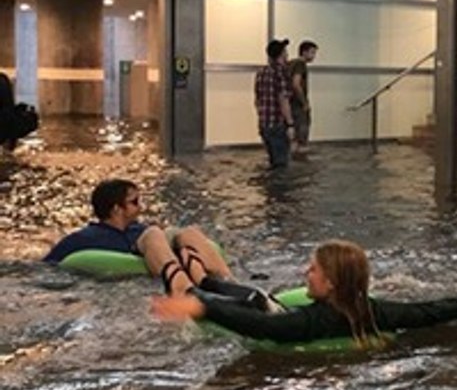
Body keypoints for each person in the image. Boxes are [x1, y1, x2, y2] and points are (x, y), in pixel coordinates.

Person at [151, 239, 457, 347]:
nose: (304, 273)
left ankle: (181, 259)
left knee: (197, 283)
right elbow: (433, 311)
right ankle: (193, 261)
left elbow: (264, 327)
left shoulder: (312, 322)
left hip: (255, 306)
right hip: (261, 303)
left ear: (330, 284)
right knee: (215, 281)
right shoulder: (374, 311)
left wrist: (200, 308)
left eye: (312, 269)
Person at [43, 178, 250, 300]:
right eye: (134, 202)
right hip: (137, 262)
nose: (140, 207)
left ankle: (230, 283)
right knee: (153, 233)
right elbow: (46, 267)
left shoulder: (138, 228)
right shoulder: (84, 239)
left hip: (152, 248)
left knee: (188, 232)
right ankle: (180, 287)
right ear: (117, 208)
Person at [253, 39, 295, 169]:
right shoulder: (281, 72)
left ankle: (270, 188)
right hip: (278, 125)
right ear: (281, 54)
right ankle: (279, 189)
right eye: (286, 52)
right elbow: (283, 99)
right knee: (281, 166)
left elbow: (257, 100)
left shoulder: (261, 72)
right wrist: (290, 124)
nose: (287, 55)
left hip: (264, 125)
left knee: (273, 162)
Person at [288, 40, 318, 157]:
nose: (314, 56)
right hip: (298, 104)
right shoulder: (300, 64)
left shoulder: (290, 63)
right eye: (312, 52)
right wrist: (304, 102)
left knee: (293, 136)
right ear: (304, 52)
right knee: (302, 133)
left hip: (289, 103)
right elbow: (296, 83)